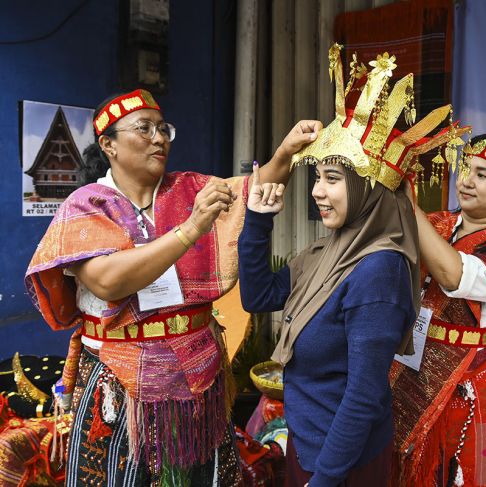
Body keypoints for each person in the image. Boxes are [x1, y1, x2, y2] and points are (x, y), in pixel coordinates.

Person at [25, 88, 321, 486]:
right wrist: (192, 229)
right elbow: (109, 281)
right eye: (143, 129)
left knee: (204, 474)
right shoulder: (85, 205)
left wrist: (285, 153)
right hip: (120, 382)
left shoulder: (188, 189)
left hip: (198, 375)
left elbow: (255, 188)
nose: (159, 138)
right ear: (108, 144)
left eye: (163, 128)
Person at [238, 44, 468, 487]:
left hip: (341, 465)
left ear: (370, 190)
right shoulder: (329, 253)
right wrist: (258, 221)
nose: (317, 193)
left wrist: (324, 480)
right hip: (312, 446)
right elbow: (259, 295)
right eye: (317, 177)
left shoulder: (376, 270)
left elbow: (362, 396)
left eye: (333, 179)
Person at [390, 134, 486, 487]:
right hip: (408, 364)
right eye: (465, 169)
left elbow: (452, 274)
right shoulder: (438, 223)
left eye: (483, 174)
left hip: (464, 383)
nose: (467, 181)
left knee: (447, 472)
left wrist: (410, 207)